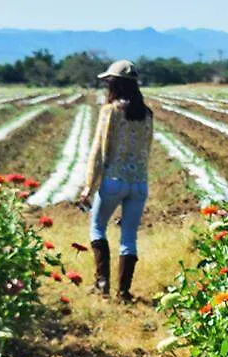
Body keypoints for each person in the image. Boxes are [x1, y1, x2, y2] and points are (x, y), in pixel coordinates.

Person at [78, 59, 152, 302]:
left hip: (114, 180)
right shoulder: (147, 114)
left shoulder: (110, 112)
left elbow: (99, 151)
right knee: (129, 236)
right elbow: (147, 150)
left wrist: (88, 186)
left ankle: (102, 284)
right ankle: (124, 291)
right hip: (139, 182)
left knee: (98, 227)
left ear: (114, 85)